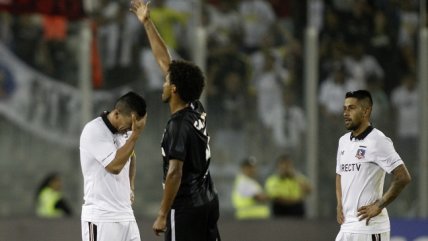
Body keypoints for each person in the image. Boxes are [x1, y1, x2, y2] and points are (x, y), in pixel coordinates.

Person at [130, 1, 221, 241]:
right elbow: (165, 61)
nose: (162, 84)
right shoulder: (196, 107)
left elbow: (174, 173)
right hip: (208, 200)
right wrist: (148, 23)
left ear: (174, 89)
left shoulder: (177, 125)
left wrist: (162, 213)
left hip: (186, 207)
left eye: (166, 82)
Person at [336, 90, 411, 241]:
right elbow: (339, 174)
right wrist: (339, 204)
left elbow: (403, 177)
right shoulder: (343, 141)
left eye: (351, 108)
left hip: (369, 228)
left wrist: (379, 205)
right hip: (347, 227)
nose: (345, 113)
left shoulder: (378, 140)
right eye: (344, 108)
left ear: (366, 111)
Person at [79, 91, 147, 241]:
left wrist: (131, 186)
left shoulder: (126, 131)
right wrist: (135, 135)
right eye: (129, 126)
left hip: (126, 215)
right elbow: (114, 167)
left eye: (132, 129)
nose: (129, 130)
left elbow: (131, 156)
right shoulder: (94, 130)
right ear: (116, 114)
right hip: (101, 217)